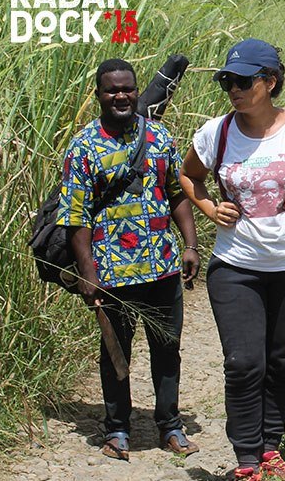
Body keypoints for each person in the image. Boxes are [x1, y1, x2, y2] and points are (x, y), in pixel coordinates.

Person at [179, 39, 285, 479]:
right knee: (243, 363)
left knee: (281, 362)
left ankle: (271, 450)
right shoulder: (215, 132)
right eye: (226, 81)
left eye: (242, 80)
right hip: (235, 265)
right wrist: (211, 209)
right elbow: (187, 176)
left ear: (269, 82)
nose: (232, 89)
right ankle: (247, 460)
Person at [58, 58, 200, 461]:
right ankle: (117, 428)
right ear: (99, 95)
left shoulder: (158, 136)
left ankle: (169, 425)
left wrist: (190, 245)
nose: (121, 96)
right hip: (111, 271)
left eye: (127, 89)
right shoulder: (84, 145)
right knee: (115, 351)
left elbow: (177, 193)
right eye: (111, 90)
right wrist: (88, 273)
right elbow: (75, 215)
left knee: (167, 348)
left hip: (161, 264)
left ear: (137, 91)